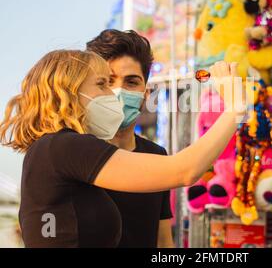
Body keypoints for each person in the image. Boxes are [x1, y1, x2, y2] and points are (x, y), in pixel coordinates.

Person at [0, 49, 245, 248]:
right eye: (102, 84)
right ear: (69, 92)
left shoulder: (51, 149)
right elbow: (186, 170)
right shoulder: (64, 146)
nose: (112, 94)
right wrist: (234, 108)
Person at [86, 29, 174, 248]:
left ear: (146, 93)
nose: (118, 91)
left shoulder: (156, 156)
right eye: (107, 81)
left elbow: (163, 242)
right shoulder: (75, 151)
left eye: (131, 82)